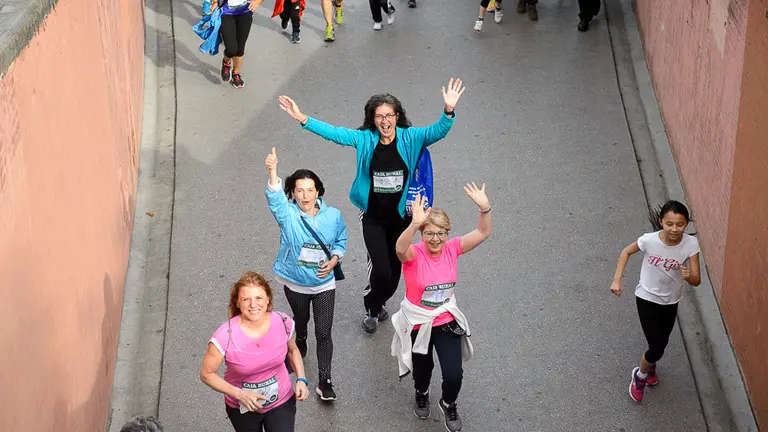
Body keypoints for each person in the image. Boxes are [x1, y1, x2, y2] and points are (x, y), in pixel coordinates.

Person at [277, 78, 466, 334]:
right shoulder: (365, 139)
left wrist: (448, 111)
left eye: (389, 115)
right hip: (373, 219)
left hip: (402, 219)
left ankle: (379, 299)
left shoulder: (411, 138)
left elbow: (437, 131)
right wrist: (302, 118)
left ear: (397, 117)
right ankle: (372, 306)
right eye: (379, 116)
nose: (385, 121)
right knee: (381, 269)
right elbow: (336, 133)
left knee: (393, 276)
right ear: (373, 119)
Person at [390, 186, 492, 432]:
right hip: (418, 321)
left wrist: (484, 207)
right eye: (430, 233)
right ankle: (422, 392)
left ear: (448, 233)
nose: (435, 239)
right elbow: (399, 249)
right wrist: (414, 224)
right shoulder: (414, 254)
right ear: (423, 234)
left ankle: (448, 403)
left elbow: (482, 231)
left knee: (454, 373)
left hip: (445, 320)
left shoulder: (452, 248)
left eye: (441, 233)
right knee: (423, 369)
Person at [264, 147, 347, 401]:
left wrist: (334, 259)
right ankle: (300, 337)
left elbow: (340, 240)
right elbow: (276, 199)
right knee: (301, 321)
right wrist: (272, 171)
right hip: (296, 283)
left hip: (324, 284)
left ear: (319, 191)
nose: (305, 195)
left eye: (310, 190)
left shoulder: (333, 215)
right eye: (299, 190)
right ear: (292, 193)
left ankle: (325, 380)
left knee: (324, 332)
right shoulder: (287, 215)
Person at [609, 200, 701, 403]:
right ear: (661, 222)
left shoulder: (690, 245)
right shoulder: (649, 240)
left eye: (680, 224)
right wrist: (617, 278)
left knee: (661, 342)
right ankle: (640, 375)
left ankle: (651, 365)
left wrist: (688, 276)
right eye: (669, 224)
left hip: (671, 301)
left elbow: (697, 280)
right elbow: (626, 252)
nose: (674, 229)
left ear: (686, 225)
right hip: (647, 297)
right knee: (657, 346)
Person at [200, 272, 309, 431]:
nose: (253, 304)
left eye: (258, 298)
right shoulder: (225, 335)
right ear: (238, 302)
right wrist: (239, 394)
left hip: (281, 401)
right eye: (246, 299)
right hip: (242, 408)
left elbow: (292, 351)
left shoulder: (282, 321)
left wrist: (301, 379)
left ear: (267, 299)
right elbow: (206, 374)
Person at [210, 0, 262, 88]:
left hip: (245, 13)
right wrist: (214, 3)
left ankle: (236, 73)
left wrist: (257, 2)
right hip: (226, 14)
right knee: (231, 49)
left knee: (240, 49)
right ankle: (226, 63)